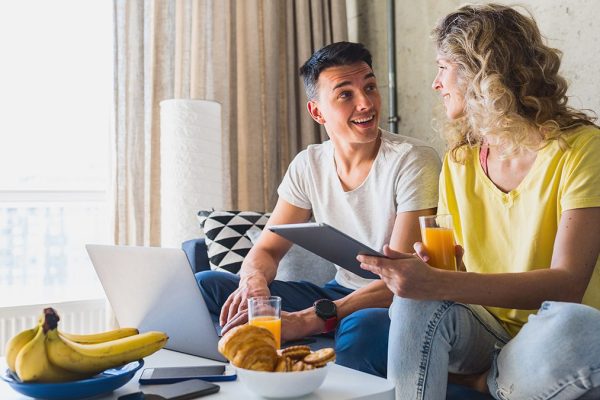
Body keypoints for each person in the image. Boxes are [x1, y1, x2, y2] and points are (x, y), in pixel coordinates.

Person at [358, 4, 600, 399]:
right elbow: (455, 277)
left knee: (580, 326)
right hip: (483, 332)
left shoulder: (582, 149)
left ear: (480, 71)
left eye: (442, 67)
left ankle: (488, 382)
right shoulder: (461, 159)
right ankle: (494, 380)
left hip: (549, 331)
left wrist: (442, 281)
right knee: (412, 302)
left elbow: (568, 285)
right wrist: (434, 272)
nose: (436, 83)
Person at [196, 41, 441, 377]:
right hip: (338, 292)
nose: (366, 103)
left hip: (388, 300)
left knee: (364, 329)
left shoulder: (413, 160)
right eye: (346, 94)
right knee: (206, 286)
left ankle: (317, 341)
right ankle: (243, 378)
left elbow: (400, 279)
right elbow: (267, 248)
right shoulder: (308, 164)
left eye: (369, 87)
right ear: (317, 111)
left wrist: (310, 317)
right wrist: (254, 285)